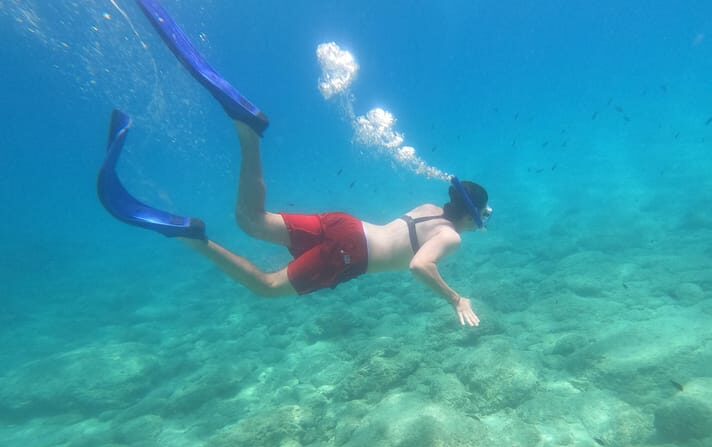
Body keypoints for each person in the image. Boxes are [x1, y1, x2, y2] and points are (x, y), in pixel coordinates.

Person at [99, 0, 491, 327]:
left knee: (250, 220)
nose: (479, 224)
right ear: (469, 217)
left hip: (346, 225)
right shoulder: (451, 237)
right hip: (350, 253)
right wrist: (456, 299)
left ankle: (248, 133)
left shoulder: (429, 209)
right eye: (481, 218)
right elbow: (420, 266)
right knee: (267, 287)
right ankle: (192, 239)